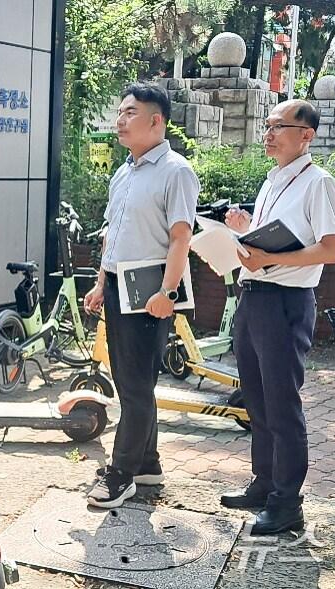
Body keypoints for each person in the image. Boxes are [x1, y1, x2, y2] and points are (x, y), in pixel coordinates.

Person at [221, 99, 335, 534]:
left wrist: (269, 258)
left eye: (278, 126)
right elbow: (269, 242)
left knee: (281, 403)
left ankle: (287, 503)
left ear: (306, 135)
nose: (268, 134)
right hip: (254, 296)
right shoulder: (272, 180)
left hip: (286, 302)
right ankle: (265, 483)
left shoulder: (319, 183)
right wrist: (243, 228)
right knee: (255, 398)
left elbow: (329, 249)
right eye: (268, 125)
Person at [83, 82, 200, 508]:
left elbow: (181, 237)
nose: (120, 120)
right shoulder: (124, 172)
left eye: (129, 113)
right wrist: (101, 283)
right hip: (118, 286)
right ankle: (147, 464)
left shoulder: (176, 171)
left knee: (134, 387)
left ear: (156, 121)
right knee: (131, 382)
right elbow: (112, 235)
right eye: (120, 112)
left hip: (150, 291)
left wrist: (168, 291)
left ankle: (121, 474)